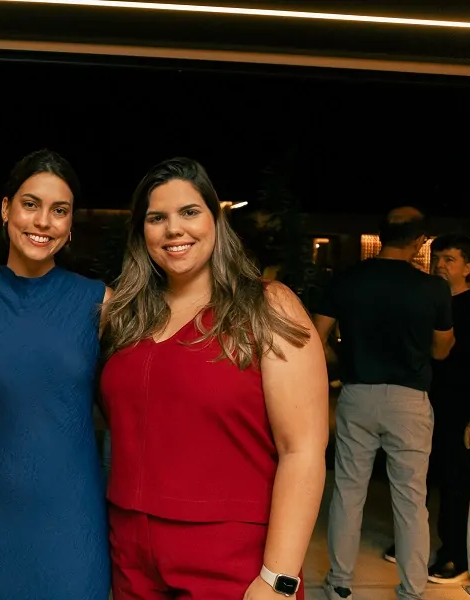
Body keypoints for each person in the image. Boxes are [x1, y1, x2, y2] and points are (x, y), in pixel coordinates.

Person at [101, 157, 328, 599]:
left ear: (216, 221)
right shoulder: (126, 318)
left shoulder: (267, 305)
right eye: (156, 218)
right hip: (131, 553)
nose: (173, 229)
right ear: (141, 233)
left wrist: (278, 578)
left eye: (189, 212)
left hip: (232, 556)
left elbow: (302, 449)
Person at [0, 149, 112, 600]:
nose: (43, 221)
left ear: (70, 225)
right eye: (30, 204)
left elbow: (126, 409)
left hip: (73, 521)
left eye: (59, 211)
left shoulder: (100, 303)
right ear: (5, 208)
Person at [314, 207, 454, 600]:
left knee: (348, 490)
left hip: (358, 394)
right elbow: (442, 350)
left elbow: (314, 334)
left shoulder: (348, 281)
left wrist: (342, 362)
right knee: (411, 499)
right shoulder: (432, 288)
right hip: (409, 400)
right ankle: (412, 590)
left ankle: (340, 583)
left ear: (381, 234)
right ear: (418, 241)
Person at [424, 234, 470, 583]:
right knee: (417, 478)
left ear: (469, 268)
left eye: (450, 260)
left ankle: (455, 555)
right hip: (423, 401)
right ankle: (413, 543)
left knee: (456, 483)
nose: (440, 265)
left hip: (461, 407)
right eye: (436, 258)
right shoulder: (425, 299)